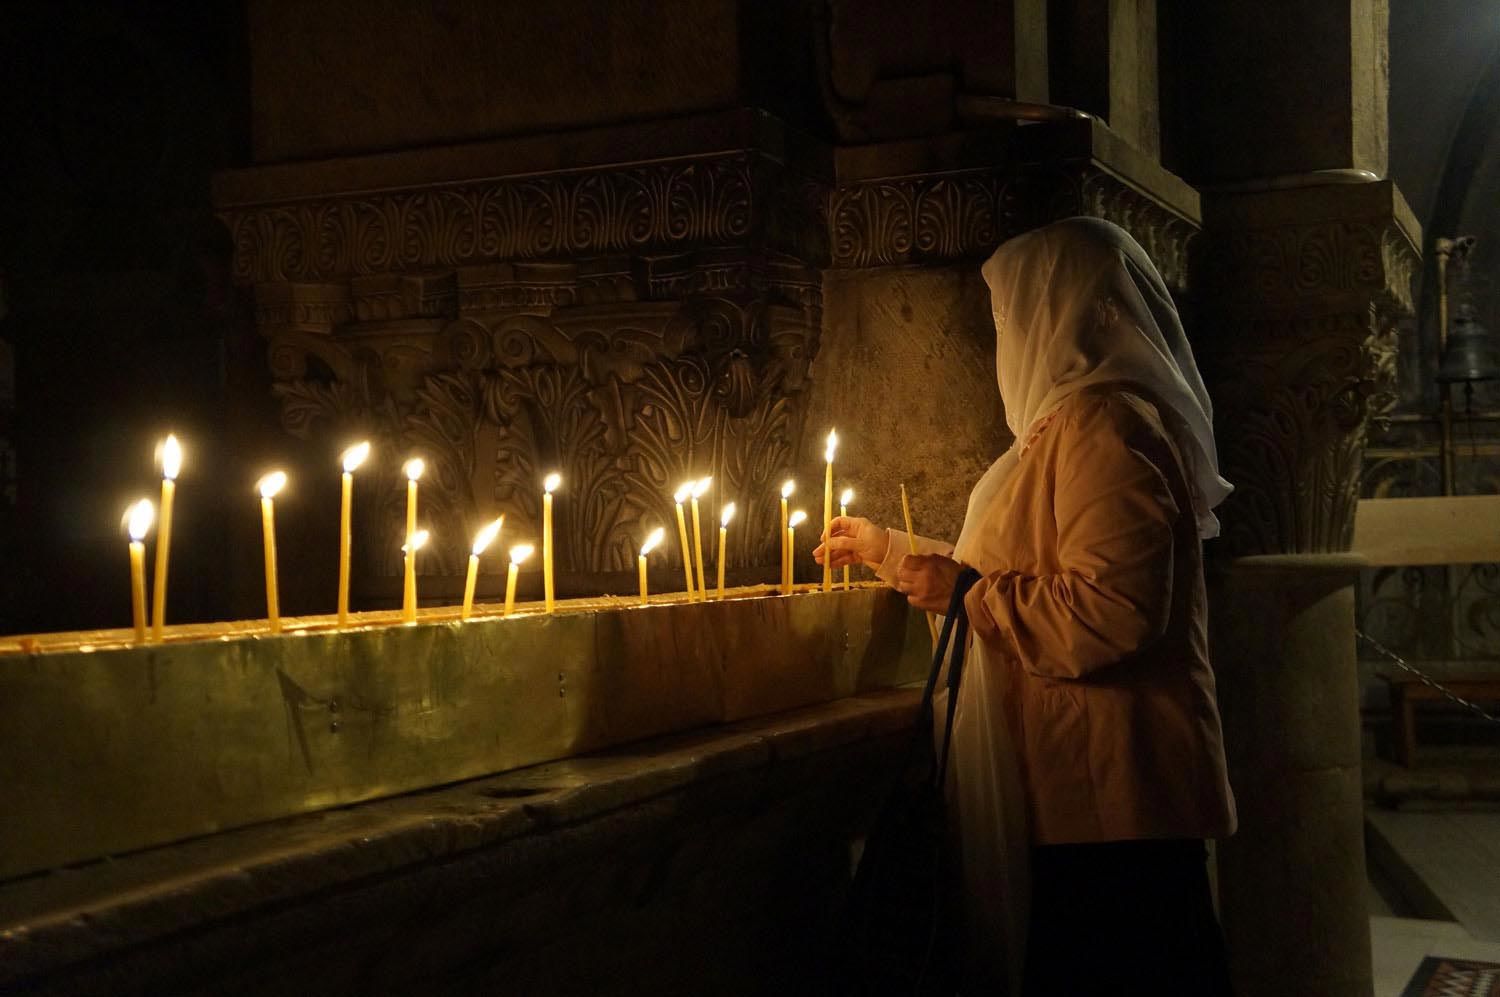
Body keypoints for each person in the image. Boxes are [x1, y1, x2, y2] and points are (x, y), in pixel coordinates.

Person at [817, 217, 1237, 996]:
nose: (1003, 337)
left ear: (1059, 310)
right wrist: (886, 549)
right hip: (1083, 794)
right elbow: (1015, 565)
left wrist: (970, 598)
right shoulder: (1069, 427)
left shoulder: (1104, 427)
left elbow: (1115, 607)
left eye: (1009, 316)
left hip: (1116, 803)